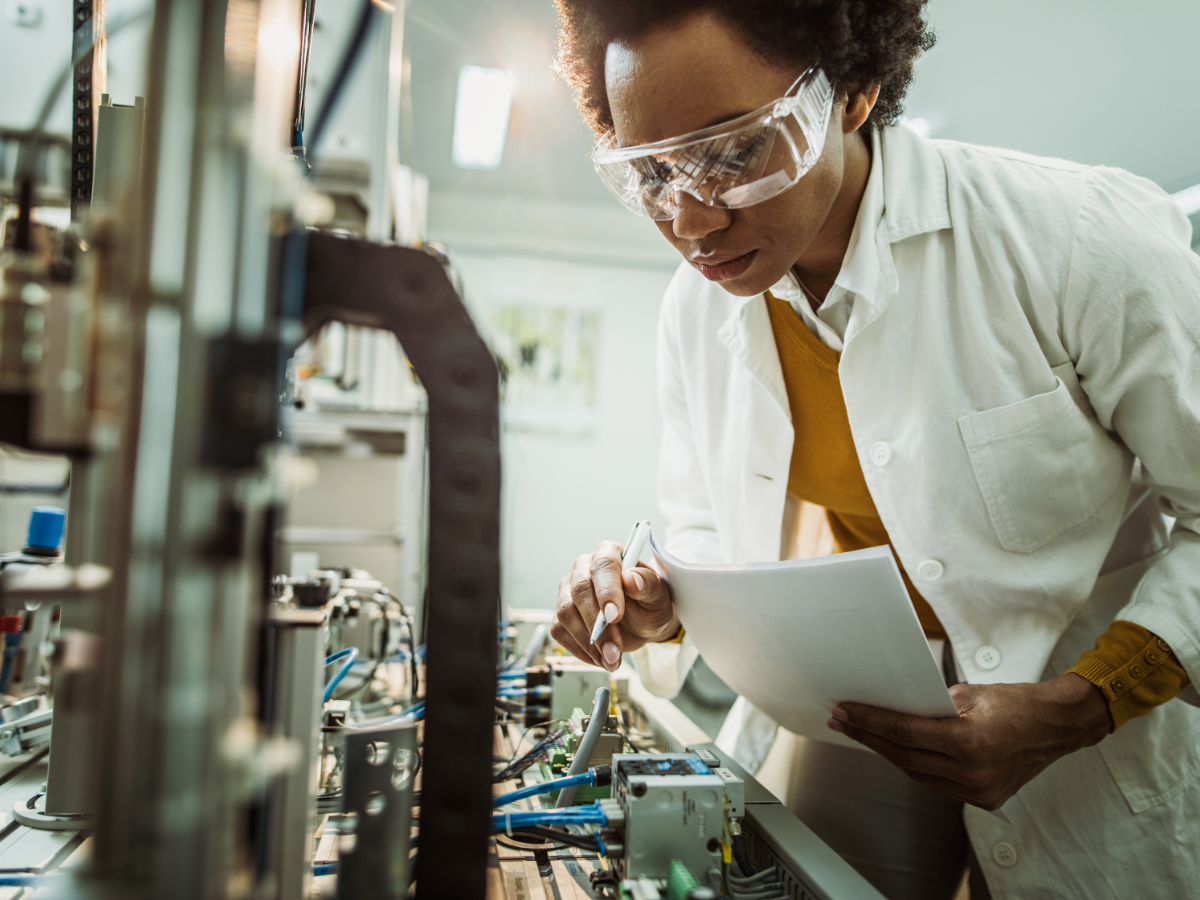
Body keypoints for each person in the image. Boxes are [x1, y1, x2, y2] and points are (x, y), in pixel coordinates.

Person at [546, 1, 1200, 898]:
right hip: (863, 709)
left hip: (1086, 713)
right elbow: (699, 539)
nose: (690, 221)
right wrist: (653, 600)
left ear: (853, 90)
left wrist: (1083, 704)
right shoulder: (697, 310)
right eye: (651, 173)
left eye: (734, 152)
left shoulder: (1078, 237)